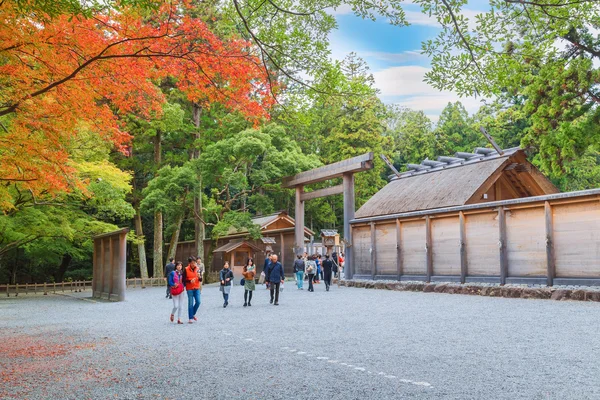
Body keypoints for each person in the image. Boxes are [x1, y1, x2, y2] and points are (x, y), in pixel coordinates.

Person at [183, 257, 201, 323]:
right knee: (190, 303)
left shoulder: (198, 269)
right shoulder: (186, 269)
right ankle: (190, 318)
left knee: (198, 302)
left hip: (197, 287)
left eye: (195, 263)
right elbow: (183, 279)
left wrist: (200, 277)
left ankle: (193, 313)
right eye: (192, 263)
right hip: (189, 288)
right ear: (189, 263)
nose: (194, 264)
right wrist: (190, 280)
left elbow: (201, 279)